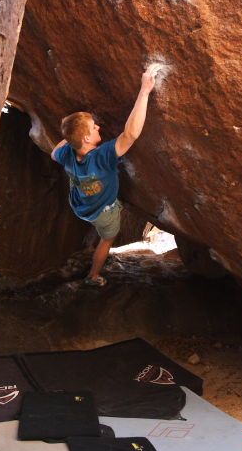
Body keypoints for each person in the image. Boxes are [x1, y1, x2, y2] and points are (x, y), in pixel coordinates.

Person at [51, 63, 161, 287]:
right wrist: (144, 91)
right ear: (86, 140)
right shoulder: (102, 157)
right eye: (93, 128)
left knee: (85, 193)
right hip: (103, 212)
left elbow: (54, 152)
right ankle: (93, 275)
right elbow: (130, 134)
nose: (99, 127)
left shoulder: (67, 153)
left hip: (80, 206)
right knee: (107, 239)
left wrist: (70, 135)